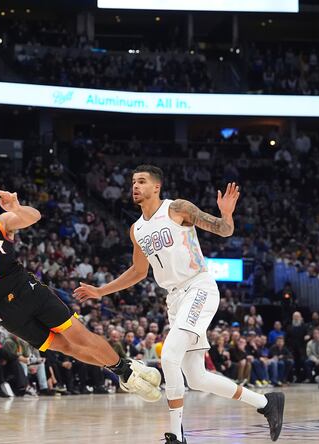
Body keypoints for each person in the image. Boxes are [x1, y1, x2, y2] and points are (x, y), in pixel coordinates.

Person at [0, 110, 160, 402]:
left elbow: (33, 217)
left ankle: (124, 371)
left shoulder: (2, 222)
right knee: (67, 348)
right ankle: (122, 371)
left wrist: (16, 205)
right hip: (3, 311)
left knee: (80, 338)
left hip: (28, 292)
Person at [75, 165, 284, 443]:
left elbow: (223, 230)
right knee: (196, 377)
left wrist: (226, 214)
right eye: (133, 182)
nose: (135, 186)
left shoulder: (177, 208)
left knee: (169, 355)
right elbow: (138, 271)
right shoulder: (136, 229)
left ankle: (176, 436)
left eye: (141, 182)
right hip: (174, 298)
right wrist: (102, 291)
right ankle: (266, 403)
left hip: (198, 286)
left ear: (156, 187)